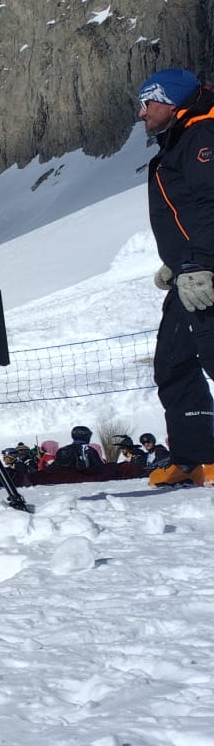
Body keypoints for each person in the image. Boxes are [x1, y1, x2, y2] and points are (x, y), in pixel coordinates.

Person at [139, 68, 214, 487]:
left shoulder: (203, 136)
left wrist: (201, 261)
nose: (141, 113)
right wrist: (178, 261)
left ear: (171, 101)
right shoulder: (180, 142)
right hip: (190, 273)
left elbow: (210, 202)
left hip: (206, 273)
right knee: (174, 362)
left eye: (147, 102)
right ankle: (197, 458)